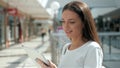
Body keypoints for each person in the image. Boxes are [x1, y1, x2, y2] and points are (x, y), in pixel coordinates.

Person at [36, 1, 103, 68]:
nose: (65, 26)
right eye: (63, 21)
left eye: (71, 22)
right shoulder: (66, 47)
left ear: (83, 23)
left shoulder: (92, 48)